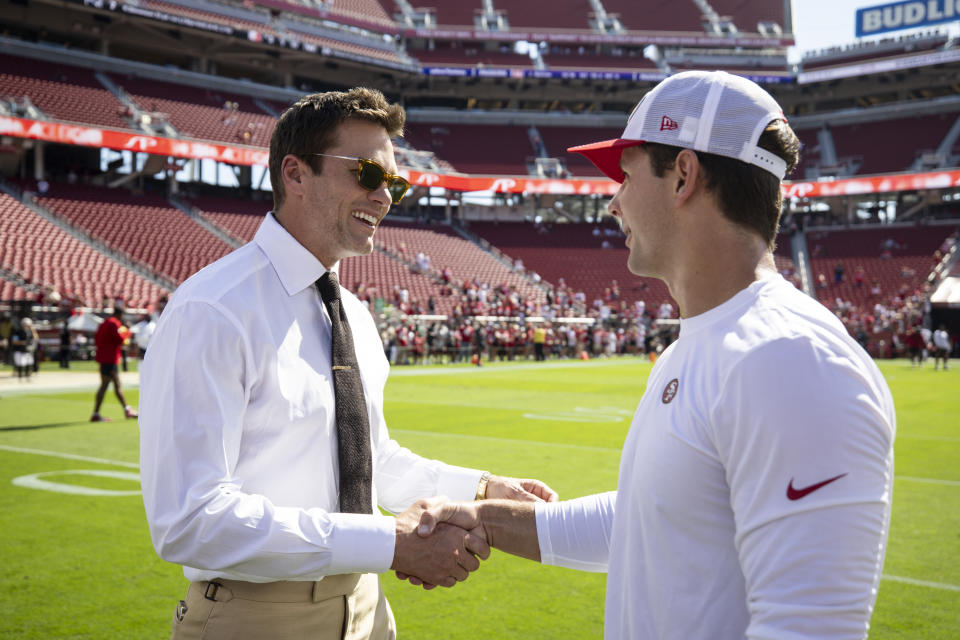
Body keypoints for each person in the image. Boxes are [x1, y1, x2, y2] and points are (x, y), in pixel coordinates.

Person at [408, 71, 896, 639]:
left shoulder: (789, 359)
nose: (613, 200)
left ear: (683, 175)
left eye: (626, 173)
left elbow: (811, 628)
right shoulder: (702, 347)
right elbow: (649, 520)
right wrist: (484, 519)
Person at [138, 87, 556, 640]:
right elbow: (190, 522)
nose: (385, 196)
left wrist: (480, 488)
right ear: (295, 173)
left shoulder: (353, 313)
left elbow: (368, 461)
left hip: (366, 604)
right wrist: (389, 543)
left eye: (396, 182)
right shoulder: (213, 310)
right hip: (260, 615)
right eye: (368, 174)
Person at [91, 306, 137, 422]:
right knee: (116, 386)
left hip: (103, 358)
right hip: (110, 359)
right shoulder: (114, 324)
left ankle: (96, 414)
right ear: (120, 315)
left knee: (105, 386)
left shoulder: (104, 323)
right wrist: (128, 331)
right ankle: (127, 410)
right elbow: (120, 339)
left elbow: (97, 339)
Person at [11, 316, 38, 381]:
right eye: (26, 324)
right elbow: (14, 341)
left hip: (27, 350)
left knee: (29, 363)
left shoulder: (30, 331)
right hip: (19, 350)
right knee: (20, 363)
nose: (27, 326)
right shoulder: (17, 332)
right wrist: (23, 342)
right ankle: (20, 377)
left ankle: (27, 376)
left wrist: (33, 329)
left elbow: (36, 338)